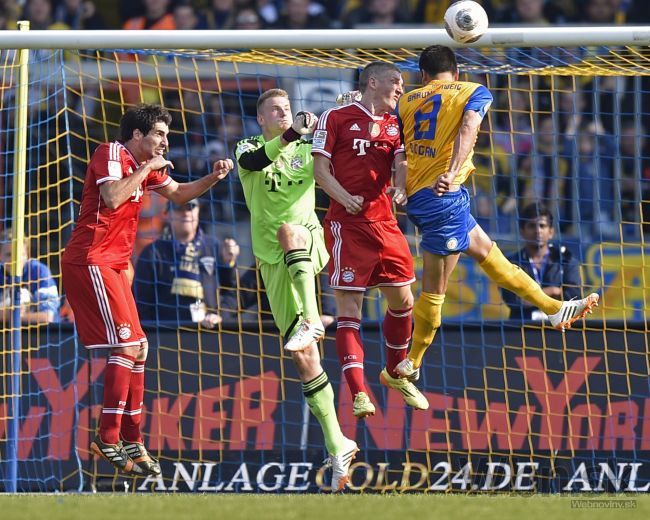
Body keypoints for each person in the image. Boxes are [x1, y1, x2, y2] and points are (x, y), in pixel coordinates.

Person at [394, 45, 600, 381]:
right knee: (435, 291)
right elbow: (468, 129)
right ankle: (411, 361)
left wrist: (401, 184)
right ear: (457, 72)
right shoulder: (474, 91)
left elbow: (401, 152)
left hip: (424, 197)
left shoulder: (407, 100)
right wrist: (452, 170)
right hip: (442, 197)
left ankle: (554, 309)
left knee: (493, 256)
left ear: (422, 75)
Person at [61, 103, 233, 477]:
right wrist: (146, 168)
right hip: (91, 260)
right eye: (159, 134)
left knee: (140, 347)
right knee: (125, 346)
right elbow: (111, 198)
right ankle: (107, 437)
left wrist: (212, 178)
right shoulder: (110, 152)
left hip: (118, 265)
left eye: (167, 136)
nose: (164, 143)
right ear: (137, 135)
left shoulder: (145, 169)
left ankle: (132, 438)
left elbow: (180, 194)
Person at [234, 88, 357, 492]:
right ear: (261, 120)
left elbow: (343, 143)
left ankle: (312, 319)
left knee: (289, 230)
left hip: (307, 240)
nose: (283, 113)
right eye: (275, 109)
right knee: (304, 359)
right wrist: (291, 135)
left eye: (287, 108)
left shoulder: (308, 146)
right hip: (271, 261)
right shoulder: (247, 147)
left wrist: (346, 108)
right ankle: (338, 443)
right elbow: (256, 161)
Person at [312, 62, 429, 420]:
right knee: (350, 310)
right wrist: (344, 197)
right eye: (396, 82)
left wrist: (400, 186)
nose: (400, 88)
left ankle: (395, 372)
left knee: (404, 299)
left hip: (386, 223)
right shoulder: (334, 116)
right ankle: (359, 394)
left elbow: (401, 162)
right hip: (347, 226)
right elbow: (319, 170)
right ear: (373, 82)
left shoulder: (396, 123)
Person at [133, 198, 239, 328]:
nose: (186, 213)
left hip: (210, 334)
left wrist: (220, 315)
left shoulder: (215, 247)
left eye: (190, 207)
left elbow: (233, 293)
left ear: (198, 210)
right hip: (168, 336)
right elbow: (140, 303)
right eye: (179, 208)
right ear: (168, 214)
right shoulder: (153, 253)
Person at [501, 203, 582, 320]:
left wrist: (530, 297)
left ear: (551, 232)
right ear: (522, 231)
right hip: (522, 329)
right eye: (532, 226)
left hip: (560, 328)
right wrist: (553, 291)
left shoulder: (566, 260)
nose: (537, 231)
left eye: (542, 226)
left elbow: (574, 297)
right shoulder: (511, 263)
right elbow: (513, 300)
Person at [0, 230, 60, 325]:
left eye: (20, 255)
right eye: (8, 255)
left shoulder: (39, 272)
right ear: (0, 256)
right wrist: (7, 313)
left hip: (42, 335)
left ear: (26, 255)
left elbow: (48, 317)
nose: (14, 260)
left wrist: (13, 315)